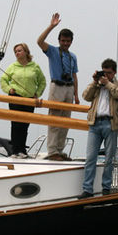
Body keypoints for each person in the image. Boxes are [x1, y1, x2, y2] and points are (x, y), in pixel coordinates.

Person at [80, 58, 118, 198]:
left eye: (109, 73)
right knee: (90, 158)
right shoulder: (97, 85)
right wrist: (95, 82)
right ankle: (87, 189)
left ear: (114, 73)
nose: (105, 75)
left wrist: (108, 84)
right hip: (95, 124)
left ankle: (106, 188)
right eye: (104, 72)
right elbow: (85, 96)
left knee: (108, 159)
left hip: (111, 124)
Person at [36, 13, 79, 161]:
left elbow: (74, 76)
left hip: (69, 88)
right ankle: (52, 150)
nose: (65, 43)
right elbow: (39, 41)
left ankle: (60, 150)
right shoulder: (53, 51)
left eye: (68, 41)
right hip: (57, 86)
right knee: (54, 119)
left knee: (66, 121)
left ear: (71, 41)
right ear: (59, 40)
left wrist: (76, 95)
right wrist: (51, 26)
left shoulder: (73, 56)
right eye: (63, 41)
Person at [0, 43, 47, 158]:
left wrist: (38, 93)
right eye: (15, 51)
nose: (17, 53)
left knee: (25, 125)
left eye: (19, 50)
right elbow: (3, 80)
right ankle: (15, 150)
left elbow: (42, 82)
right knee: (15, 124)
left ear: (26, 52)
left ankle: (22, 150)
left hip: (29, 99)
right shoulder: (13, 66)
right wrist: (8, 89)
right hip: (16, 97)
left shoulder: (34, 66)